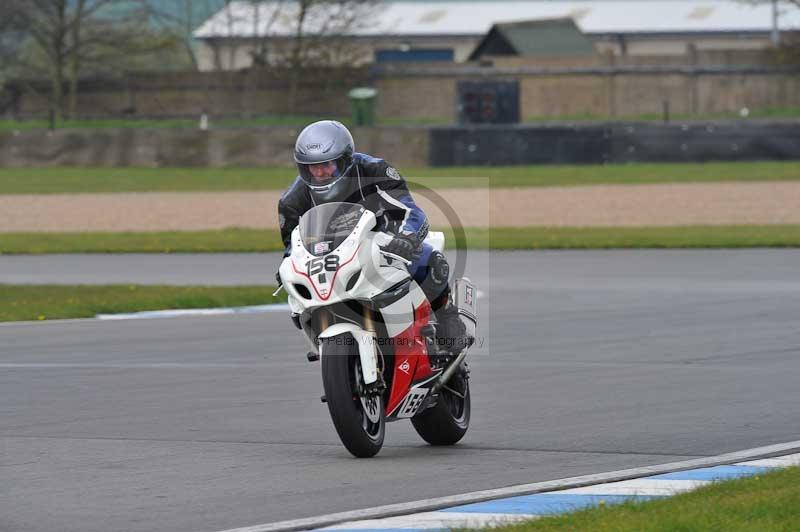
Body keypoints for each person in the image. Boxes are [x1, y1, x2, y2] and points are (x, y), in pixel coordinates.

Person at [277, 119, 466, 355]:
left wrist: (406, 238)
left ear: (344, 160)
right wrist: (287, 266)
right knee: (296, 303)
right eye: (312, 167)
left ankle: (447, 315)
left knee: (429, 258)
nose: (320, 173)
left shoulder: (375, 170)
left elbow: (410, 210)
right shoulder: (292, 201)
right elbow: (292, 244)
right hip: (332, 255)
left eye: (327, 165)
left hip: (382, 241)